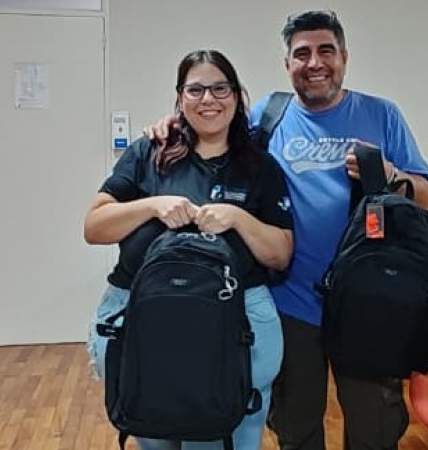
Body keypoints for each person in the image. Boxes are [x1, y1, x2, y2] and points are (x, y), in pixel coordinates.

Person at [145, 11, 428, 450]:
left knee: (374, 429)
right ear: (288, 65)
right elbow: (214, 129)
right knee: (295, 428)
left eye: (326, 51)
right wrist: (169, 126)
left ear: (344, 58)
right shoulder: (269, 114)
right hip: (291, 300)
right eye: (302, 53)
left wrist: (393, 173)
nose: (314, 62)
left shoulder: (381, 114)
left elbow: (426, 195)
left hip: (369, 304)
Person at [85, 49, 294, 450]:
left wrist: (239, 218)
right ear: (180, 98)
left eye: (220, 88)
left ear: (236, 95)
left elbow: (280, 254)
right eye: (195, 90)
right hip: (144, 313)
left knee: (226, 432)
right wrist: (152, 205)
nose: (208, 99)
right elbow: (94, 227)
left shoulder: (260, 167)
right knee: (154, 427)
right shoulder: (150, 153)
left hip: (237, 319)